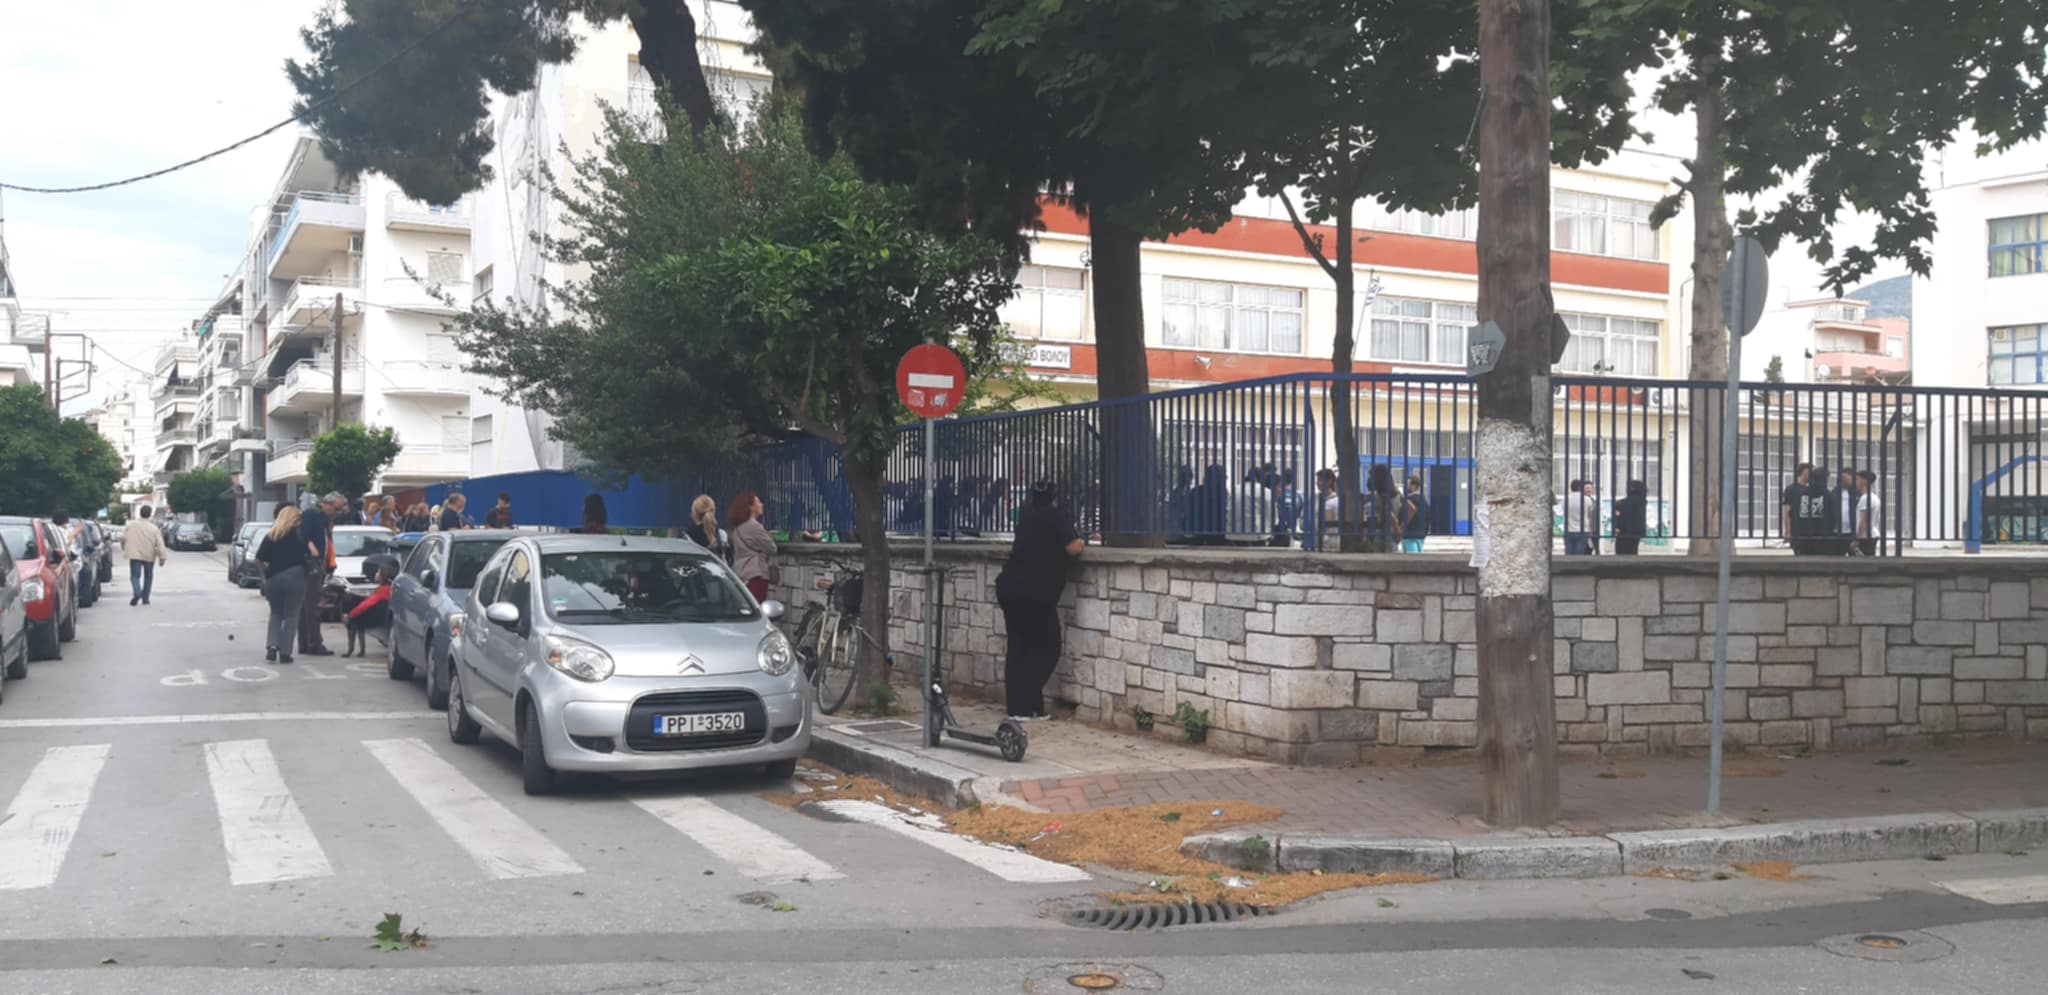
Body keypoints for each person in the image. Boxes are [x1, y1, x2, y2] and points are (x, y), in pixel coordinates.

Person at [995, 480, 1084, 722]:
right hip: (1035, 593)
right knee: (1048, 646)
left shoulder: (1026, 518)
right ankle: (1029, 705)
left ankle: (1017, 708)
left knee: (1018, 646)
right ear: (1054, 499)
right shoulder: (1055, 517)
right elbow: (1074, 548)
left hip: (1009, 587)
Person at [255, 505, 313, 663]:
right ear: (295, 519)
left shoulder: (271, 536)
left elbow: (259, 559)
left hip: (273, 577)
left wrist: (263, 576)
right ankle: (285, 653)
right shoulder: (301, 535)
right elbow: (314, 553)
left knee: (275, 613)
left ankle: (272, 646)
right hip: (296, 576)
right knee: (291, 615)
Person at [297, 493, 338, 657]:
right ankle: (314, 643)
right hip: (312, 565)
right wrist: (311, 546)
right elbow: (304, 534)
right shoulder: (312, 515)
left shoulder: (324, 520)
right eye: (335, 508)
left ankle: (306, 642)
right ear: (325, 504)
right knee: (312, 605)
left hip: (318, 565)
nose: (335, 512)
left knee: (307, 605)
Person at [729, 490, 777, 602]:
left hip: (740, 573)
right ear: (751, 507)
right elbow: (772, 548)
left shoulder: (737, 528)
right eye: (758, 502)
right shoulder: (755, 526)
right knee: (756, 605)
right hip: (756, 573)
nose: (761, 504)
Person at [341, 563, 396, 658]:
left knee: (354, 614)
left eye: (377, 573)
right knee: (356, 604)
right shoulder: (388, 588)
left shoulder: (383, 590)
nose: (375, 574)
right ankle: (361, 649)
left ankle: (352, 648)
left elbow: (367, 604)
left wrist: (350, 615)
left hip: (379, 617)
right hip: (382, 614)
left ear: (383, 577)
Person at [120, 505, 169, 606]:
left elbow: (123, 538)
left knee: (135, 576)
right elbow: (160, 543)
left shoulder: (130, 525)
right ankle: (145, 598)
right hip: (149, 555)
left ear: (140, 513)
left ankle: (137, 593)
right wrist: (162, 557)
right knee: (148, 576)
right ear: (150, 514)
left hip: (134, 554)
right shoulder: (154, 528)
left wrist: (124, 548)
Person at [686, 494, 729, 561]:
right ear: (713, 512)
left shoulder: (687, 537)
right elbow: (724, 560)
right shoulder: (721, 534)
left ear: (694, 514)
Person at [1613, 480, 1649, 556]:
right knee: (1632, 550)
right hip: (1636, 530)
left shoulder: (1634, 500)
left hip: (1626, 530)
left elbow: (1622, 504)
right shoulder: (1642, 500)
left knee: (1621, 550)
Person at [1397, 476, 1431, 553]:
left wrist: (1400, 528)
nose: (1405, 486)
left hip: (1409, 534)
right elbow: (1428, 517)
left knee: (1411, 556)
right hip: (1420, 534)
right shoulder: (1423, 501)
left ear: (1414, 486)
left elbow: (1402, 515)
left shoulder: (1409, 501)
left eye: (1407, 484)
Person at [1853, 470, 1883, 556]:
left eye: (1857, 479)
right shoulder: (1874, 497)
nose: (1855, 482)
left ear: (1864, 481)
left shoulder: (1865, 498)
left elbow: (1864, 521)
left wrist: (1857, 540)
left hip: (1865, 537)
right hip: (1871, 535)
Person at [1830, 467, 1859, 556]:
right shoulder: (1834, 492)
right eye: (1842, 477)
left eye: (1846, 477)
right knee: (1837, 557)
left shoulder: (1856, 493)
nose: (1843, 479)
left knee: (1856, 558)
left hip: (1852, 533)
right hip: (1836, 533)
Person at [1564, 479, 1596, 556]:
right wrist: (1590, 530)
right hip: (1583, 530)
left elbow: (1564, 513)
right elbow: (1589, 516)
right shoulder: (1587, 499)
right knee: (1579, 555)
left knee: (1569, 555)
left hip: (1569, 530)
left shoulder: (1566, 499)